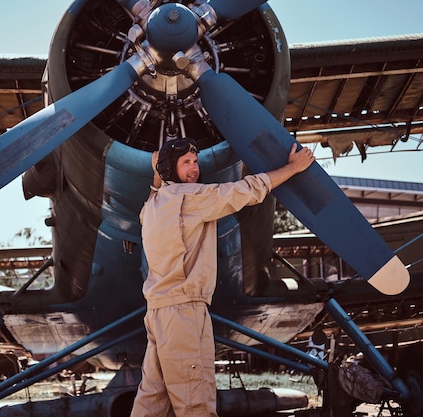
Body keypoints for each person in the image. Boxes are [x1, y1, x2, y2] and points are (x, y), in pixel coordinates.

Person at [130, 137, 315, 417]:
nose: (194, 168)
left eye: (195, 161)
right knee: (196, 403)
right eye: (185, 163)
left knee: (151, 402)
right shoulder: (192, 198)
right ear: (170, 169)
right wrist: (292, 168)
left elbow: (158, 184)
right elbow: (248, 190)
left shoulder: (152, 205)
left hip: (158, 314)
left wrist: (159, 168)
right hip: (185, 313)